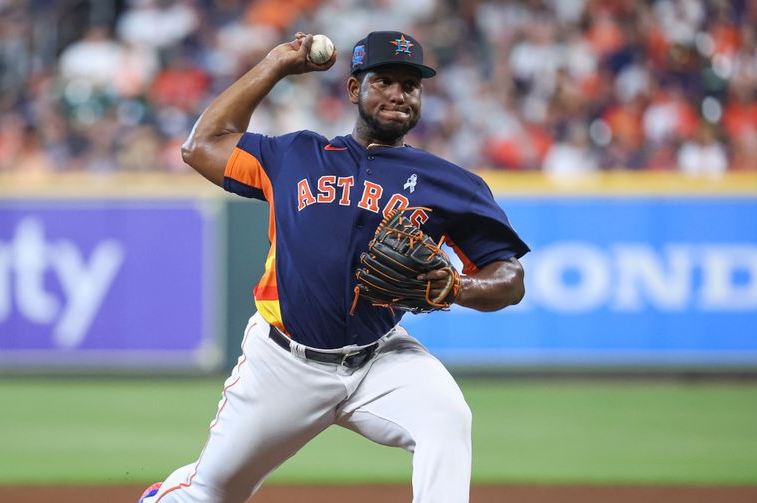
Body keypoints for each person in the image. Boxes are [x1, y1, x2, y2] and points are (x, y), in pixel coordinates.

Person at [139, 31, 529, 503]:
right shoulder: (294, 155)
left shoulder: (450, 183)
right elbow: (201, 145)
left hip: (380, 358)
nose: (398, 94)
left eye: (410, 84)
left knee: (447, 418)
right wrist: (275, 65)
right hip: (283, 363)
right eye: (383, 80)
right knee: (209, 493)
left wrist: (458, 288)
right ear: (353, 90)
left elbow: (510, 279)